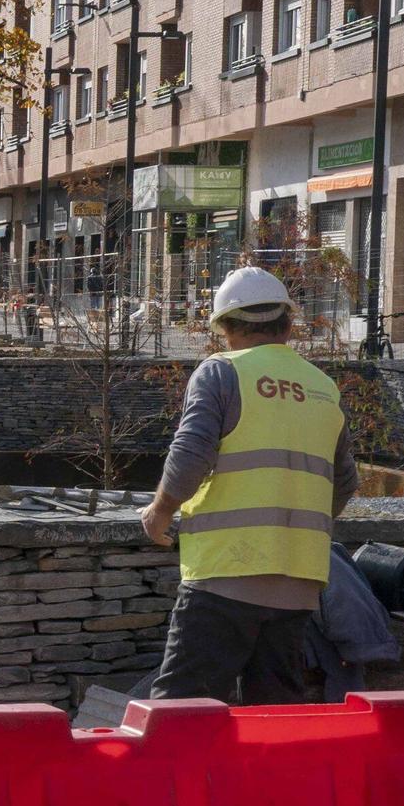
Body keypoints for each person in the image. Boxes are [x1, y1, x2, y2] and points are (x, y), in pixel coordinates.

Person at [138, 266, 359, 704]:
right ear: (288, 325)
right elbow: (345, 481)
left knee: (184, 706)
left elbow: (191, 454)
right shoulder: (323, 387)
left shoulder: (221, 373)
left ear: (226, 328)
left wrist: (160, 511)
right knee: (274, 707)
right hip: (299, 583)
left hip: (225, 574)